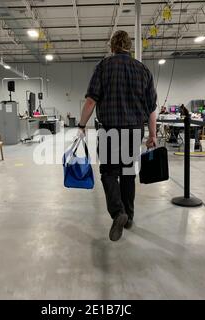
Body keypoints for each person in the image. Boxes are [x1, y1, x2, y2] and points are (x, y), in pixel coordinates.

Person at [78, 30, 157, 242]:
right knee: (128, 173)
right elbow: (151, 109)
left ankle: (118, 212)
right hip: (133, 130)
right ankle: (129, 216)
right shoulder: (143, 70)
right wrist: (152, 134)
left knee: (109, 173)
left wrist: (81, 125)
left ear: (112, 47)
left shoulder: (104, 67)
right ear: (129, 47)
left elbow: (91, 101)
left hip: (110, 130)